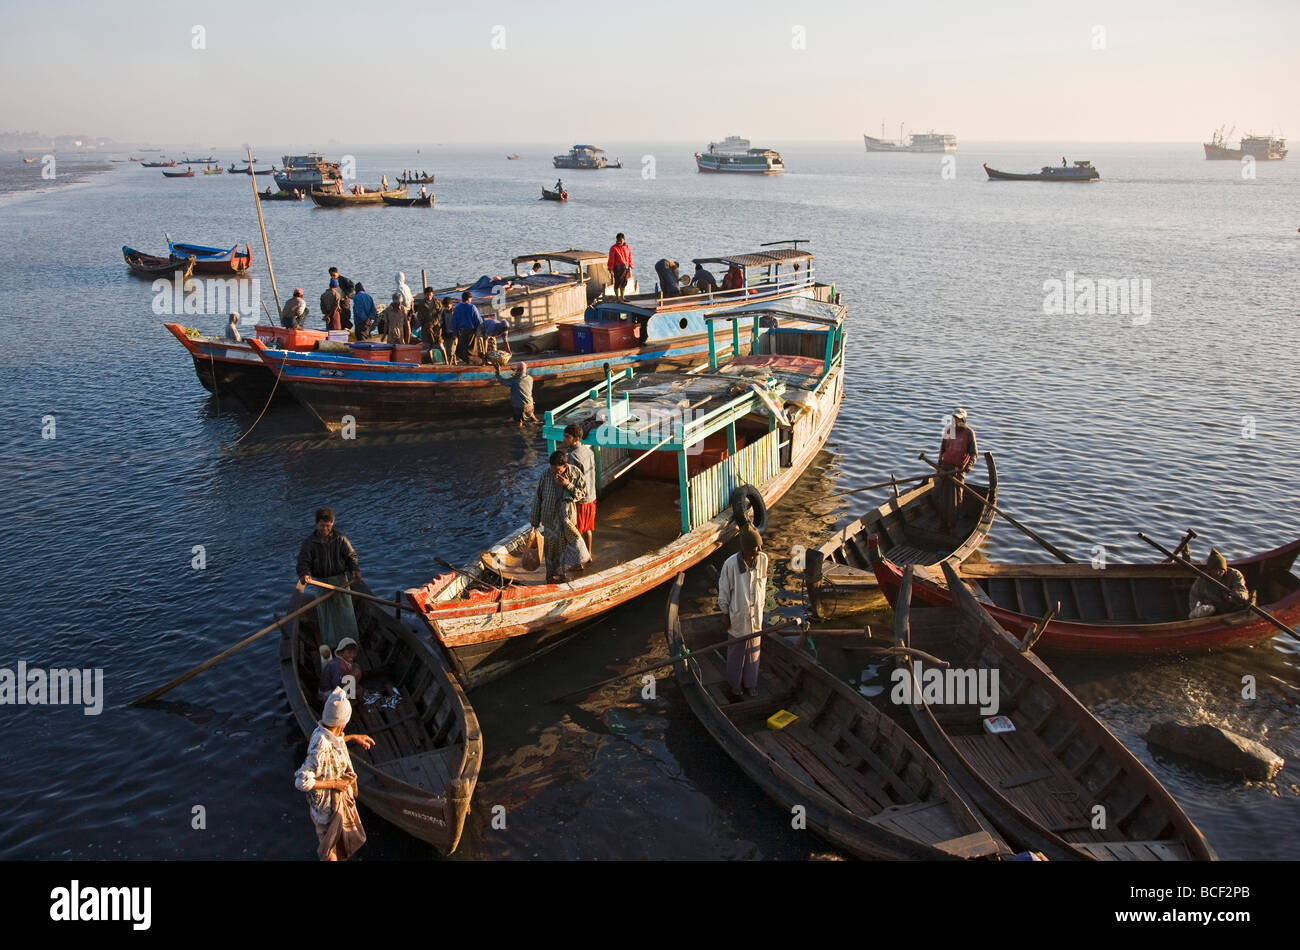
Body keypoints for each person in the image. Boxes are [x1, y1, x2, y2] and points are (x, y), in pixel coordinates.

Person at [293, 687, 374, 861]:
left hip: (333, 805)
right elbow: (301, 782)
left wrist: (352, 737)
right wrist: (335, 784)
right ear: (342, 723)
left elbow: (334, 741)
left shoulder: (323, 732)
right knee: (330, 851)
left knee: (338, 845)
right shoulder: (320, 746)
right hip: (325, 810)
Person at [296, 507, 361, 651]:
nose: (324, 528)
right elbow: (303, 562)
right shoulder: (310, 543)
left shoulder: (340, 539)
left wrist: (355, 570)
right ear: (316, 524)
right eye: (321, 525)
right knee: (326, 614)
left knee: (345, 612)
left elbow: (351, 556)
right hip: (320, 582)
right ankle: (332, 645)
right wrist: (304, 574)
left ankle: (351, 642)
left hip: (341, 581)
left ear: (332, 523)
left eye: (327, 525)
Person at [717, 525, 768, 702]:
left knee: (754, 652)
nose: (759, 550)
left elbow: (763, 586)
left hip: (755, 617)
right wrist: (724, 613)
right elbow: (724, 590)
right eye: (756, 547)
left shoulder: (763, 560)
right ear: (745, 548)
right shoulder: (730, 564)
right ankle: (735, 685)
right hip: (738, 617)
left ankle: (750, 684)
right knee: (736, 653)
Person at [530, 450, 588, 583]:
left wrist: (568, 485)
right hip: (549, 517)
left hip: (567, 518)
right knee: (551, 549)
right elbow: (538, 498)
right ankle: (551, 576)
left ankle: (568, 571)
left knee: (569, 546)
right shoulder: (546, 474)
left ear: (565, 466)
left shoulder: (575, 473)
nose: (554, 472)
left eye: (557, 469)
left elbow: (582, 494)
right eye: (552, 468)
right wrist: (534, 521)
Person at [936, 407, 977, 532]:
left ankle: (953, 523)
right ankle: (942, 522)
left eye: (957, 419)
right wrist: (939, 465)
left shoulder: (969, 433)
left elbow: (974, 454)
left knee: (955, 497)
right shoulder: (948, 430)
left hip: (958, 470)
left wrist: (968, 466)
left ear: (963, 420)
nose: (955, 422)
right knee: (942, 495)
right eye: (953, 419)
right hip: (945, 467)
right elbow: (942, 449)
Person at [562, 424, 597, 563]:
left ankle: (579, 561)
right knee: (588, 528)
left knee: (575, 532)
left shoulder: (572, 457)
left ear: (576, 438)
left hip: (579, 500)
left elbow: (572, 481)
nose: (564, 439)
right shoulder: (588, 451)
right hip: (591, 496)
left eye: (567, 437)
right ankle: (589, 554)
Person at [1188, 550, 1253, 618]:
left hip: (1232, 606)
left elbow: (1243, 591)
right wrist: (1198, 609)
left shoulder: (1234, 574)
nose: (1218, 573)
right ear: (1210, 570)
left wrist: (1238, 594)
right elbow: (1194, 598)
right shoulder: (1201, 580)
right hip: (1213, 609)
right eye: (1215, 570)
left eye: (1221, 570)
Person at [319, 637, 363, 702]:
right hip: (327, 694)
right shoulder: (337, 666)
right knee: (355, 673)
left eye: (354, 653)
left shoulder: (344, 661)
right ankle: (348, 701)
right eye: (349, 653)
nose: (352, 655)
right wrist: (354, 692)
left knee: (356, 668)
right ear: (340, 652)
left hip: (336, 688)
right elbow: (336, 688)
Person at [451, 290, 483, 363]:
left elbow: (454, 322)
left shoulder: (457, 308)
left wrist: (455, 333)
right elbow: (478, 321)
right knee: (472, 351)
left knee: (463, 350)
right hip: (471, 332)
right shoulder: (472, 307)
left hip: (461, 333)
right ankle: (472, 364)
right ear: (469, 299)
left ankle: (467, 362)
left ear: (462, 299)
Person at [413, 288, 443, 358]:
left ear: (432, 294)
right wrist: (427, 326)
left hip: (436, 327)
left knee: (440, 344)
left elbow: (439, 315)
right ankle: (432, 361)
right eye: (427, 295)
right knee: (428, 346)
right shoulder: (421, 304)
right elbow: (420, 316)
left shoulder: (437, 303)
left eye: (430, 295)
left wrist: (432, 325)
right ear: (425, 295)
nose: (429, 296)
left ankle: (447, 361)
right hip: (426, 328)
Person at [607, 233, 632, 302]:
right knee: (617, 283)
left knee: (624, 283)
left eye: (621, 240)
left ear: (624, 240)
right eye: (618, 240)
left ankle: (622, 297)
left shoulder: (627, 247)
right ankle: (617, 298)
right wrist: (610, 268)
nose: (619, 242)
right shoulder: (614, 248)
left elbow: (629, 257)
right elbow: (611, 259)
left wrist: (630, 265)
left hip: (626, 268)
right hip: (617, 268)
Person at [440, 297, 458, 363]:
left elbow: (457, 323)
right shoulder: (443, 312)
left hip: (454, 334)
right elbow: (442, 322)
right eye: (445, 306)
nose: (447, 307)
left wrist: (456, 333)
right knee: (448, 350)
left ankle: (449, 365)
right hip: (446, 333)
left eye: (448, 306)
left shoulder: (455, 312)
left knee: (451, 351)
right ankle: (455, 362)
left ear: (451, 304)